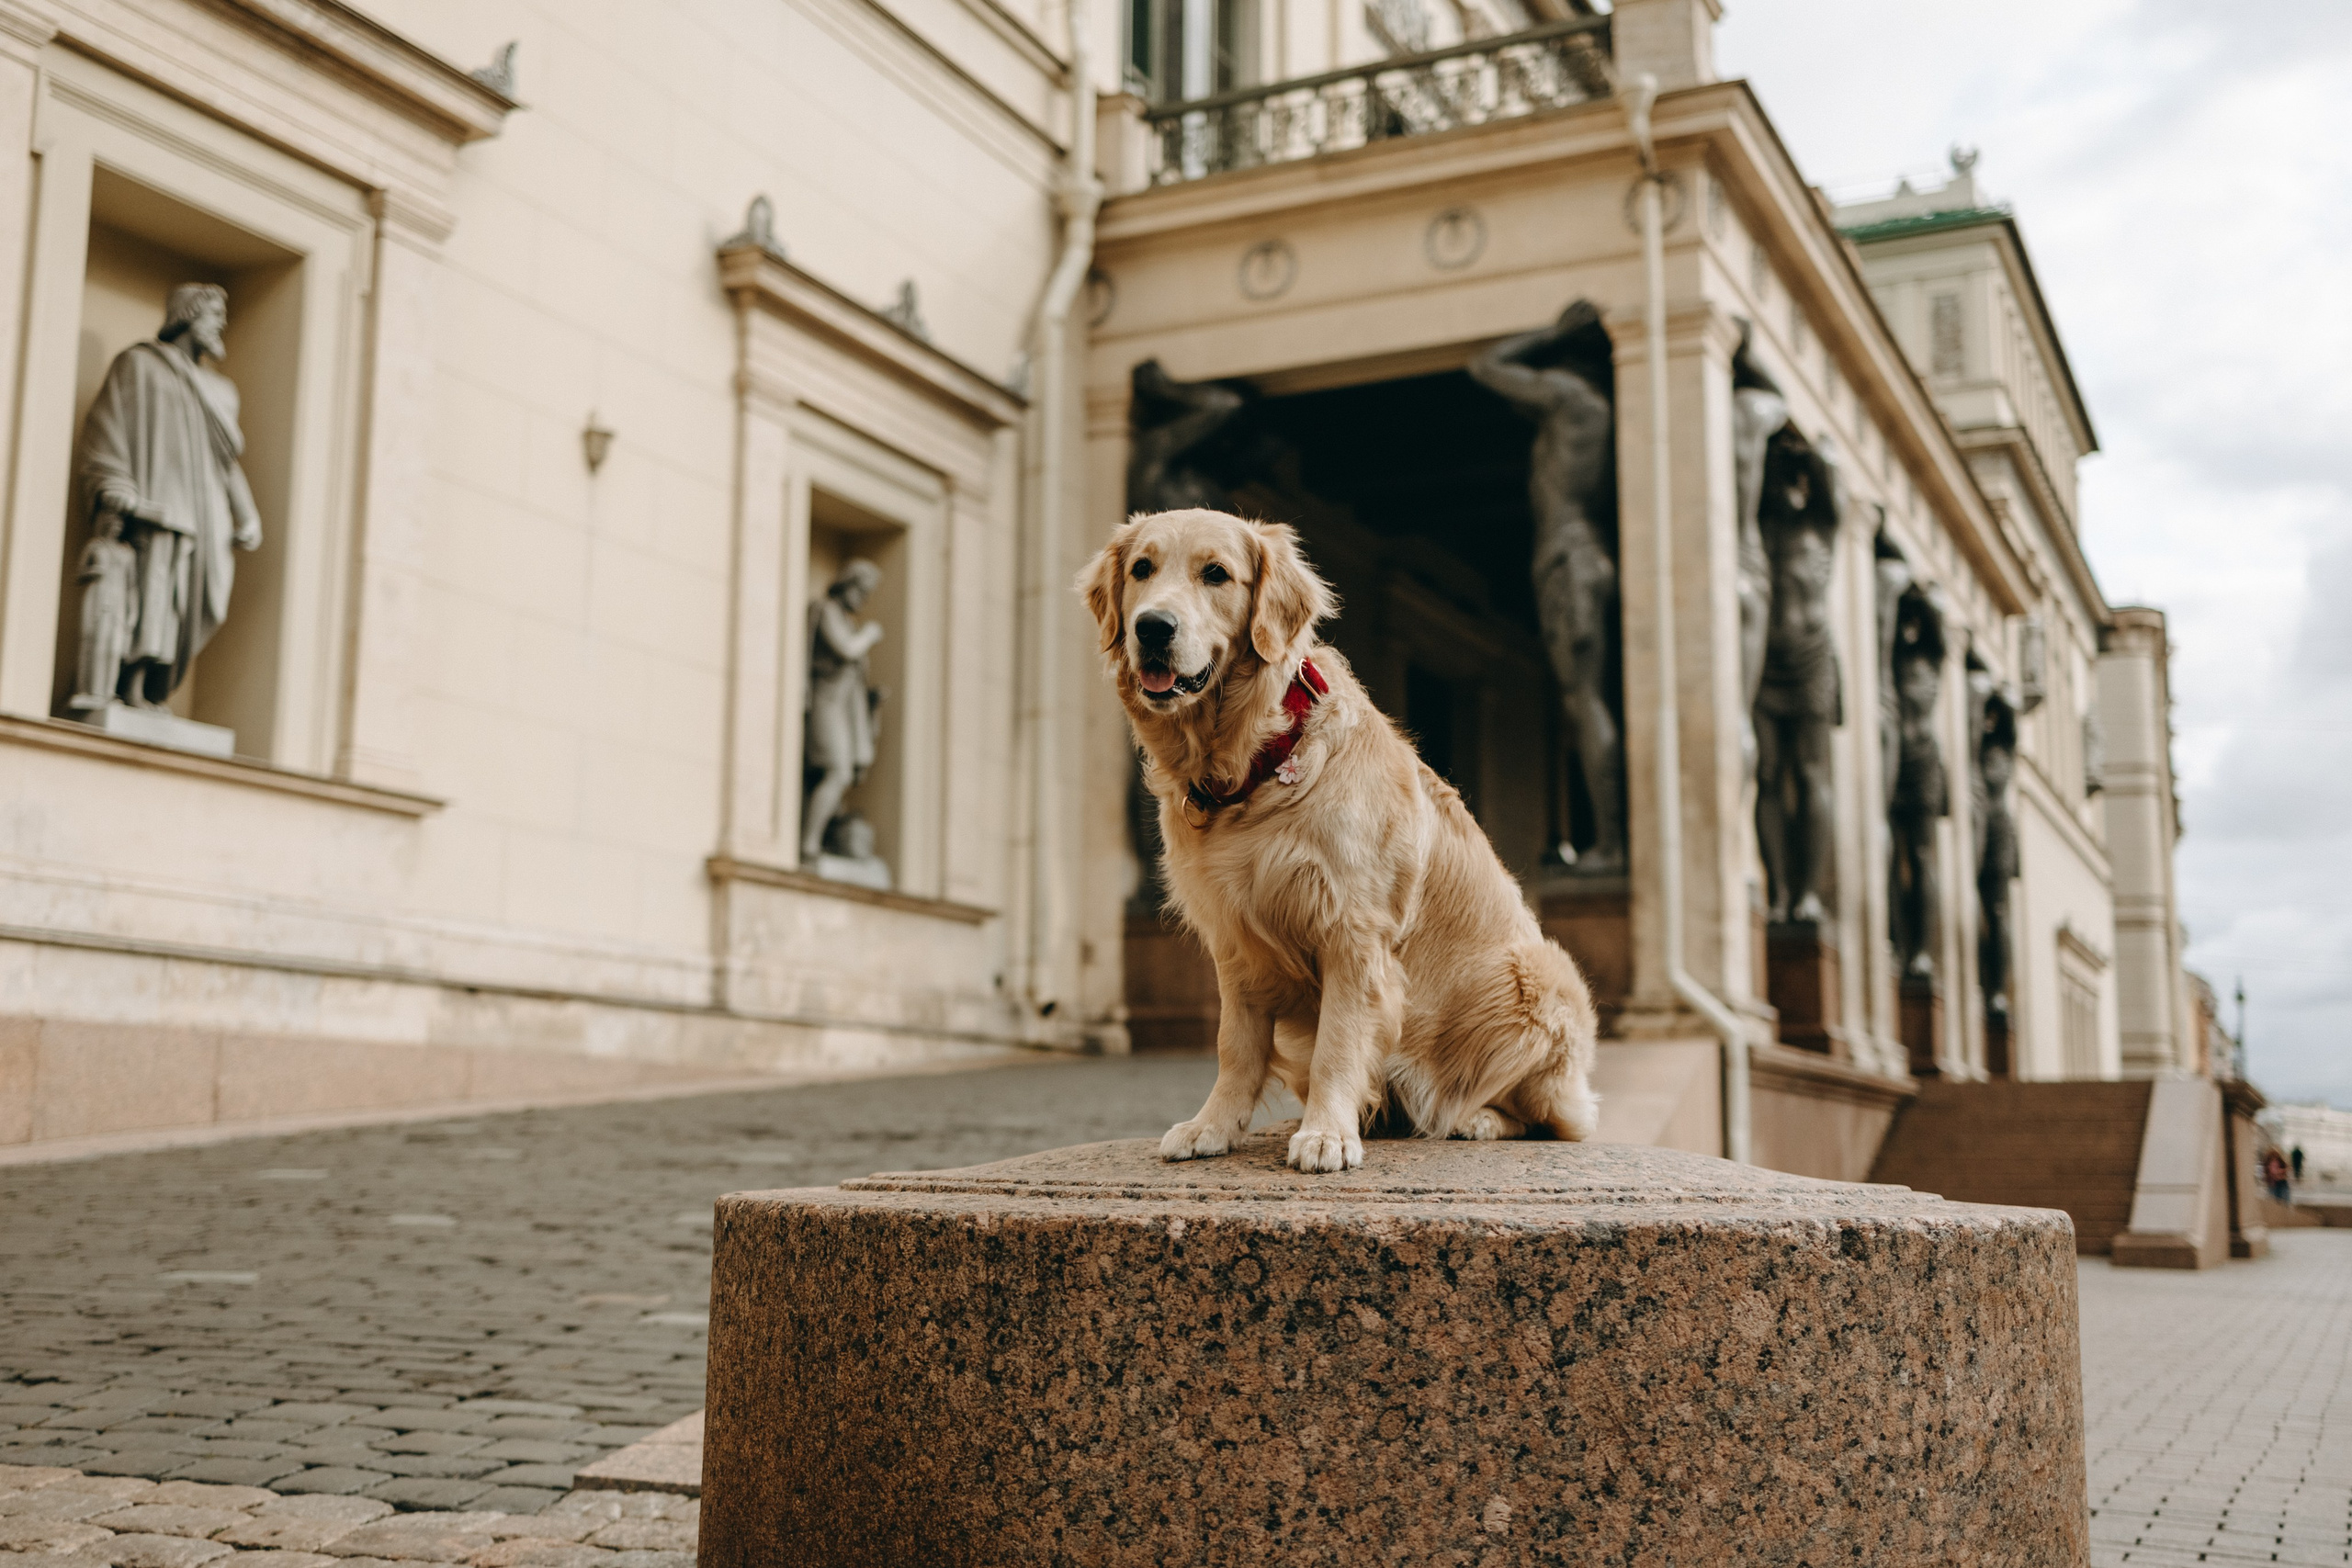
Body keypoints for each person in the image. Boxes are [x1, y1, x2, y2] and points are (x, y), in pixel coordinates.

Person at [1468, 300, 1623, 874]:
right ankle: (1608, 841)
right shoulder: (1598, 408)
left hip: (1567, 556)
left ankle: (1610, 846)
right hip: (1588, 554)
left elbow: (1485, 365)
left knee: (1584, 702)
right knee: (1586, 701)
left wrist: (1547, 332)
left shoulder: (1570, 397)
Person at [73, 282, 263, 709]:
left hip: (207, 512)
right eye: (214, 316)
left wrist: (246, 515)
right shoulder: (139, 366)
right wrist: (118, 486)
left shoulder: (223, 392)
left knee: (206, 599)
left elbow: (227, 462)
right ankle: (134, 687)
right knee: (154, 595)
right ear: (188, 316)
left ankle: (155, 687)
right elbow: (107, 428)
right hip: (160, 505)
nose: (222, 326)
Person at [801, 558, 886, 866]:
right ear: (848, 583)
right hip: (826, 703)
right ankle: (809, 845)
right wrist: (870, 635)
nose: (863, 599)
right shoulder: (825, 611)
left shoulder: (847, 622)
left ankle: (821, 840)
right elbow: (847, 649)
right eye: (861, 590)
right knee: (836, 771)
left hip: (845, 708)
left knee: (844, 773)